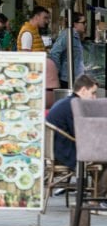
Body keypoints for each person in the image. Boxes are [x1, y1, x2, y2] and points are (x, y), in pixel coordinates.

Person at [46, 75, 107, 205]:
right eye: (93, 93)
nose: (95, 97)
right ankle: (98, 199)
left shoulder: (67, 102)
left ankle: (96, 196)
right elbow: (81, 134)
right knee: (104, 158)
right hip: (66, 152)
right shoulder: (74, 105)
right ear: (83, 90)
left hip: (58, 149)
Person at [50, 12, 86, 89]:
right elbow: (54, 52)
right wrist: (57, 71)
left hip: (75, 78)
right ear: (75, 24)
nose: (85, 25)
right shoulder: (67, 35)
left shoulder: (75, 35)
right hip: (67, 79)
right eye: (83, 22)